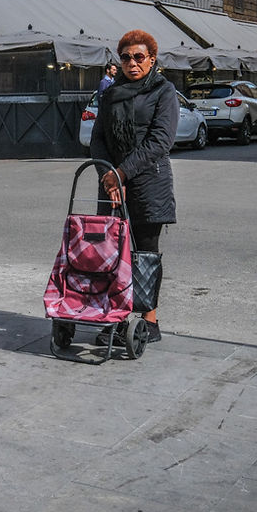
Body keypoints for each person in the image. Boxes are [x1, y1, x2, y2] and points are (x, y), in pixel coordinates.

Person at [89, 30, 178, 343]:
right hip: (112, 182)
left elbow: (160, 141)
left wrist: (122, 174)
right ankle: (116, 315)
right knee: (112, 253)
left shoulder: (163, 91)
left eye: (139, 56)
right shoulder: (112, 93)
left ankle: (149, 319)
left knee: (145, 253)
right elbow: (98, 138)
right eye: (125, 57)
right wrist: (108, 174)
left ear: (152, 59)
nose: (132, 62)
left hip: (148, 182)